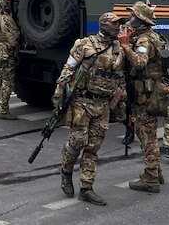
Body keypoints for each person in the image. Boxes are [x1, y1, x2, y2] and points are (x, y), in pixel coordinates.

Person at [54, 11, 129, 206]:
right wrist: (59, 93)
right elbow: (68, 68)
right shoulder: (84, 45)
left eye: (119, 24)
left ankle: (86, 188)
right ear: (104, 25)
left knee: (93, 148)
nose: (118, 27)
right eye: (114, 24)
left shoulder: (119, 49)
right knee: (78, 141)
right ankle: (66, 170)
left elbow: (119, 79)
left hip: (103, 105)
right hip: (81, 102)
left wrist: (121, 105)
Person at [124, 1, 169, 193]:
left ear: (140, 21)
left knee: (147, 136)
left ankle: (151, 178)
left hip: (145, 95)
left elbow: (139, 62)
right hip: (148, 93)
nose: (129, 19)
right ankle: (156, 171)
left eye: (133, 17)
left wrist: (125, 46)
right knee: (147, 133)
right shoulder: (154, 36)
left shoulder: (144, 40)